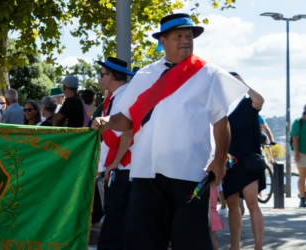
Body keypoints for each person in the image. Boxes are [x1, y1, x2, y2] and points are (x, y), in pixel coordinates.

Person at [91, 13, 248, 249]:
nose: (186, 40)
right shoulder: (144, 75)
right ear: (162, 41)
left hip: (189, 172)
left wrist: (219, 161)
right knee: (143, 240)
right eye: (178, 36)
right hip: (146, 172)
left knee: (190, 241)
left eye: (189, 36)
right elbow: (126, 121)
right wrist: (106, 121)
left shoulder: (209, 73)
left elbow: (220, 121)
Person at [94, 57, 135, 250]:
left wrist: (114, 163)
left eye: (101, 75)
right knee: (116, 222)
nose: (99, 79)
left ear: (110, 76)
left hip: (122, 168)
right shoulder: (114, 97)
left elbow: (127, 131)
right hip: (116, 168)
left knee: (115, 226)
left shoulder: (124, 96)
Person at [223, 72, 266, 250]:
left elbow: (260, 101)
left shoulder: (247, 104)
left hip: (248, 161)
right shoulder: (220, 107)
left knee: (251, 202)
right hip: (227, 162)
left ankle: (258, 246)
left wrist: (244, 85)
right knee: (233, 205)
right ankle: (235, 246)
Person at [290, 104, 306, 208]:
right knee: (302, 176)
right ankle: (302, 198)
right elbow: (294, 138)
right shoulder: (298, 122)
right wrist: (296, 154)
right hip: (300, 152)